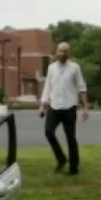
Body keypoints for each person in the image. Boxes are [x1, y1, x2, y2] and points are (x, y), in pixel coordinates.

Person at [39, 42, 89, 175]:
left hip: (69, 107)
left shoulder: (75, 68)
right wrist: (43, 105)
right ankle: (61, 158)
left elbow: (82, 87)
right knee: (49, 132)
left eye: (65, 51)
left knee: (70, 137)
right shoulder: (51, 68)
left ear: (69, 53)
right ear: (56, 52)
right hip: (54, 106)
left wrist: (85, 107)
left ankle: (74, 167)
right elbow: (47, 87)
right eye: (61, 51)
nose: (63, 54)